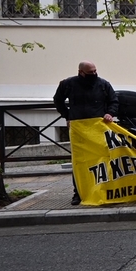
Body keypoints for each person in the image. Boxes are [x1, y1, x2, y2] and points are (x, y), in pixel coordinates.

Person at [53, 60, 118, 206]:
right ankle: (78, 193)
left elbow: (114, 101)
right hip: (79, 130)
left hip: (98, 130)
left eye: (95, 71)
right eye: (90, 72)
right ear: (81, 72)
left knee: (101, 160)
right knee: (80, 162)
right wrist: (68, 116)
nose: (94, 74)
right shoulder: (68, 84)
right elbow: (58, 100)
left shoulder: (103, 84)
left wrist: (110, 113)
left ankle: (102, 190)